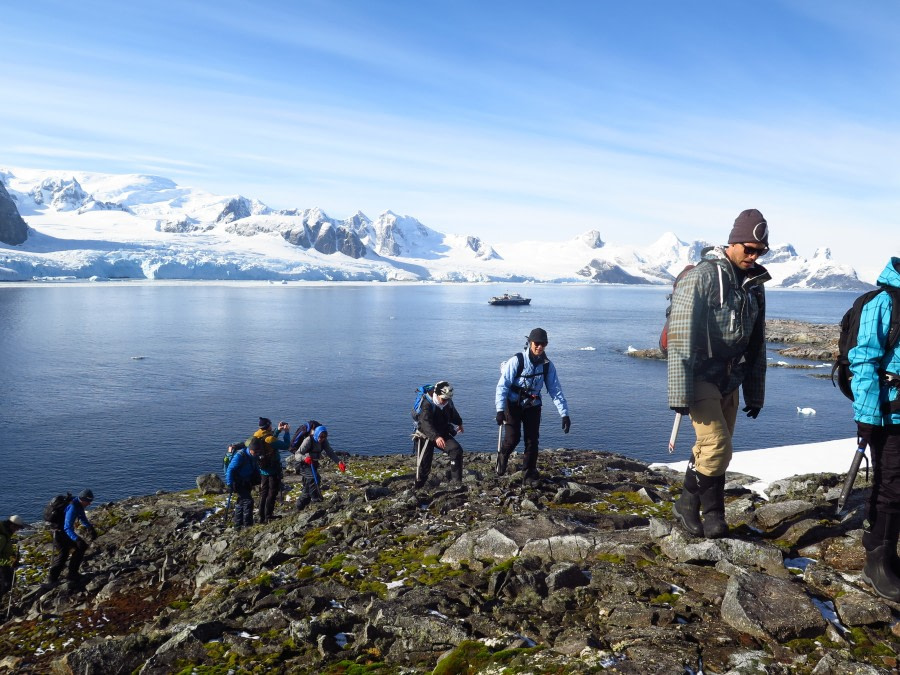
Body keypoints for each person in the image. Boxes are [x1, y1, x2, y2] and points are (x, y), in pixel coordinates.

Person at [668, 209, 770, 539]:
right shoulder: (704, 276)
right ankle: (698, 507)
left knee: (715, 449)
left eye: (760, 251)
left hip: (732, 378)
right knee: (716, 447)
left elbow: (756, 343)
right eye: (748, 248)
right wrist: (679, 393)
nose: (753, 256)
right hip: (700, 374)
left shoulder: (754, 285)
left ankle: (700, 507)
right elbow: (681, 335)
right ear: (732, 243)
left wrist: (755, 393)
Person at [850, 257, 900, 600]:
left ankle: (884, 549)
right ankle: (877, 562)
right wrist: (866, 415)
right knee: (892, 483)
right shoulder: (884, 303)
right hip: (889, 411)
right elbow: (864, 358)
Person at [495, 327, 571, 479]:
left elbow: (555, 390)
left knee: (532, 441)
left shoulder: (547, 365)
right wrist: (500, 410)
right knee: (513, 438)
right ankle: (503, 455)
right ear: (530, 342)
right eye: (537, 343)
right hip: (513, 403)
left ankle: (528, 474)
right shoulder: (517, 361)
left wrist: (564, 414)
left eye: (543, 344)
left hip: (533, 405)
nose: (539, 346)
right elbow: (503, 386)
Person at [414, 381, 465, 489]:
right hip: (425, 436)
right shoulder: (426, 404)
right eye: (443, 399)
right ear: (437, 394)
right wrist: (436, 437)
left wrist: (459, 423)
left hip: (442, 433)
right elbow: (425, 423)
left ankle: (457, 484)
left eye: (447, 399)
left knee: (456, 450)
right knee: (424, 467)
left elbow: (453, 413)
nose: (445, 402)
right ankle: (418, 488)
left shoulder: (447, 401)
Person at [48, 490, 97, 585]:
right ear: (82, 499)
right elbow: (67, 528)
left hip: (63, 531)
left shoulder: (78, 505)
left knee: (80, 548)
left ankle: (72, 573)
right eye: (88, 501)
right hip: (58, 532)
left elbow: (82, 518)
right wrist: (77, 539)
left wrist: (90, 528)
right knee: (64, 553)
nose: (89, 504)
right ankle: (52, 578)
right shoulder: (73, 507)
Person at [248, 418, 291, 524]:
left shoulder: (257, 435)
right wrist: (286, 432)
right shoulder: (269, 438)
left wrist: (278, 430)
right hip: (272, 468)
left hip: (262, 468)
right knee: (272, 492)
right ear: (268, 426)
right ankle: (268, 515)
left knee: (264, 492)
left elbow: (269, 441)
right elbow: (286, 446)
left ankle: (261, 516)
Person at [294, 426, 346, 510]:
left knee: (308, 487)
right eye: (321, 436)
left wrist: (339, 462)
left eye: (324, 437)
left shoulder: (324, 441)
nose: (322, 439)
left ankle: (300, 506)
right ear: (316, 434)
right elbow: (297, 454)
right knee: (314, 479)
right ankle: (316, 499)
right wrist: (305, 458)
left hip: (312, 463)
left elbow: (330, 452)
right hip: (302, 464)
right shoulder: (308, 440)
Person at [225, 437, 261, 529]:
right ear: (250, 449)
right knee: (248, 501)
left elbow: (255, 466)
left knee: (241, 502)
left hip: (247, 481)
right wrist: (230, 484)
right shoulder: (240, 456)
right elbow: (230, 469)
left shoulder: (253, 455)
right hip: (237, 482)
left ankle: (238, 525)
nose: (257, 454)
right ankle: (247, 525)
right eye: (255, 452)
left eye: (258, 451)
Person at [0, 515, 26, 604]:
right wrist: (9, 562)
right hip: (2, 565)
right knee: (5, 585)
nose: (17, 531)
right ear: (12, 526)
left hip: (4, 564)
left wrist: (13, 554)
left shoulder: (5, 533)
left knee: (8, 583)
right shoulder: (2, 537)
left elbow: (5, 549)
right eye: (17, 528)